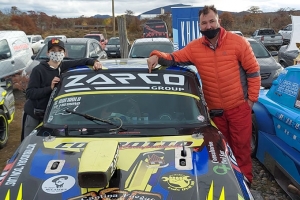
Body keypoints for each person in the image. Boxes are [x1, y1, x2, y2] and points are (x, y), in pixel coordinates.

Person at [147, 5, 261, 186]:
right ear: (199, 25)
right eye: (204, 23)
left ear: (219, 21)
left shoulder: (238, 42)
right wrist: (155, 55)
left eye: (211, 21)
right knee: (220, 151)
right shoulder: (194, 48)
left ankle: (244, 184)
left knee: (241, 148)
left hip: (239, 107)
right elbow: (173, 57)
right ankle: (226, 184)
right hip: (215, 112)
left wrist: (251, 101)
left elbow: (253, 72)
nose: (208, 26)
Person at [21, 38, 103, 141]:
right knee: (30, 141)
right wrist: (49, 88)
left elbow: (83, 60)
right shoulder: (38, 70)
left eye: (60, 51)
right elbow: (30, 93)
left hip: (53, 115)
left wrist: (94, 62)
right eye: (53, 51)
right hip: (35, 114)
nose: (57, 53)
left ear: (64, 53)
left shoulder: (64, 66)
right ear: (47, 53)